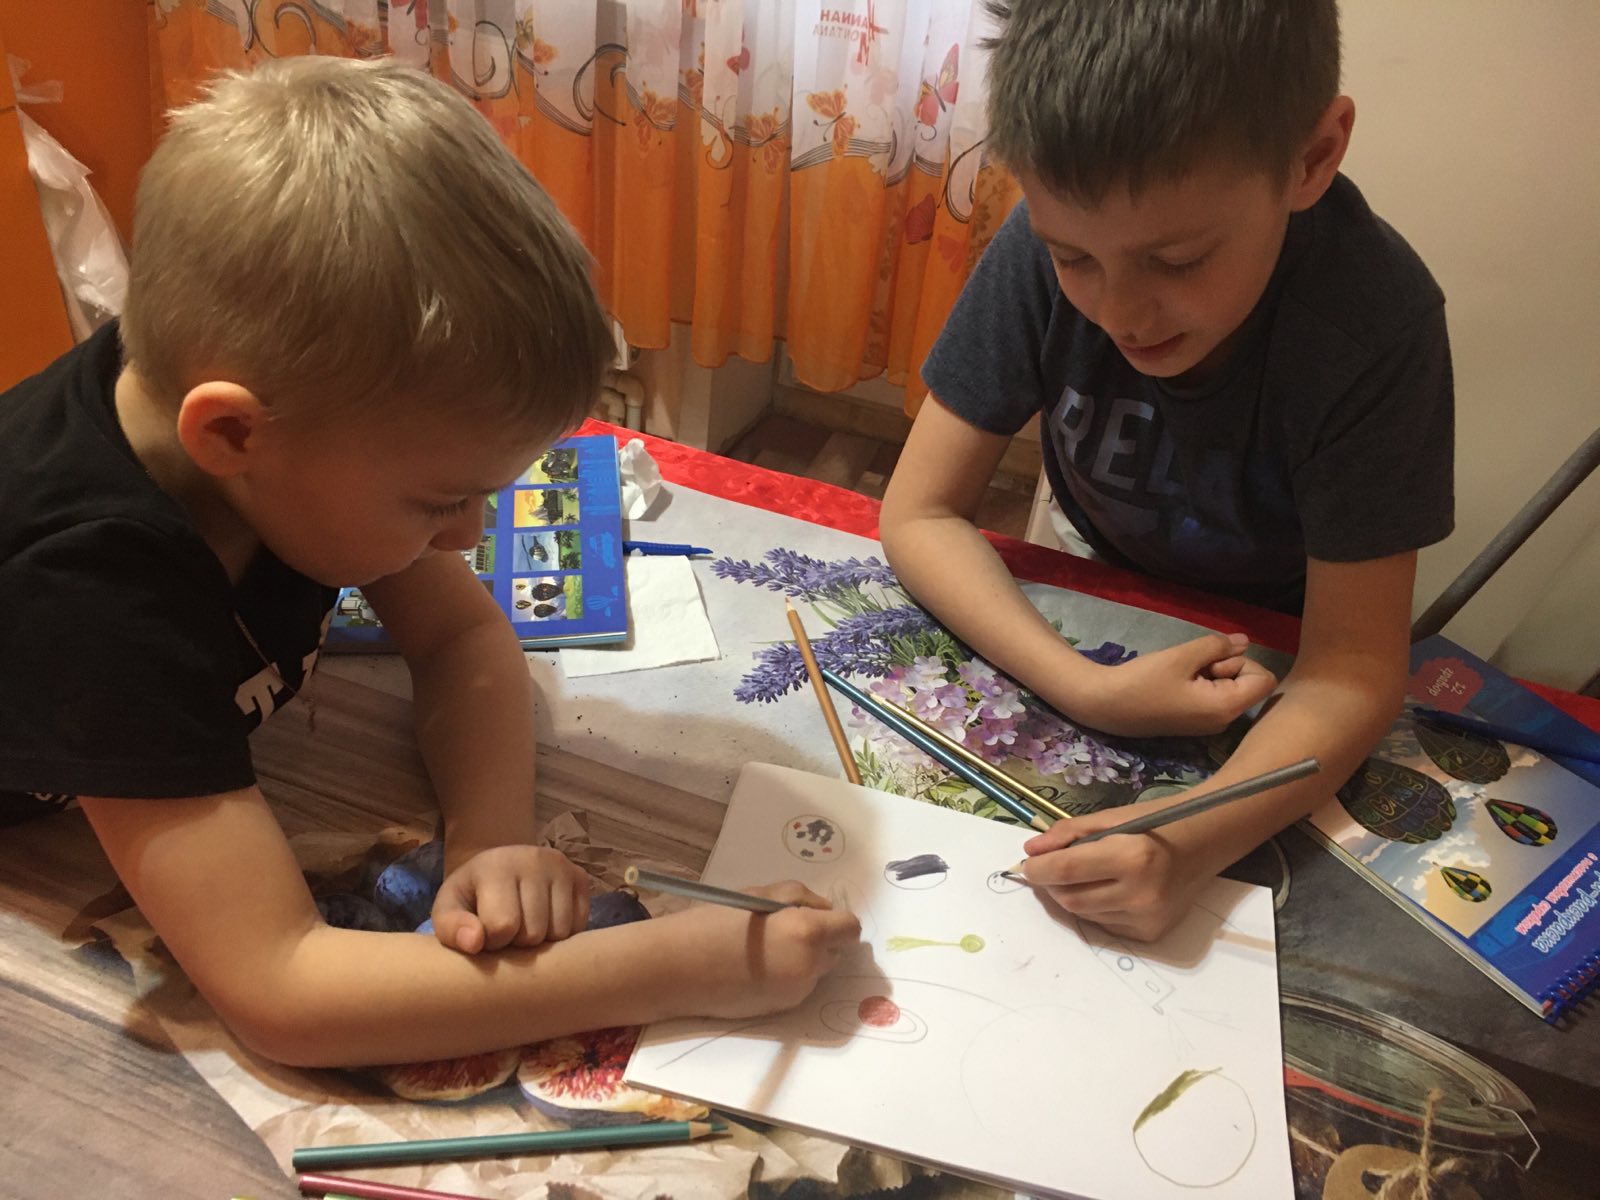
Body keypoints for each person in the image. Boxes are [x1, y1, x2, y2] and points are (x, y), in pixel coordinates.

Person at [0, 57, 858, 1067]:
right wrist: (678, 966)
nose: (467, 537)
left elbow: (460, 637)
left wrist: (489, 842)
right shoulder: (90, 591)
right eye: (442, 501)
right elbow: (281, 993)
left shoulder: (282, 426)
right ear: (230, 435)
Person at [880, 0, 1453, 941]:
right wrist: (1085, 687)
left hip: (1279, 640)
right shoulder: (1033, 248)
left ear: (1312, 158)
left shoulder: (1376, 327)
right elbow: (919, 514)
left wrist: (1189, 839)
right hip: (1086, 564)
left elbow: (1352, 665)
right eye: (1074, 258)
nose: (1122, 314)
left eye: (1178, 260)